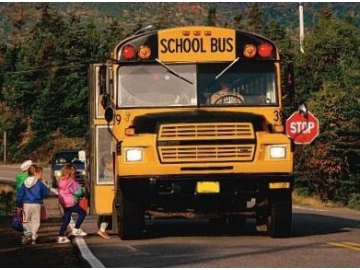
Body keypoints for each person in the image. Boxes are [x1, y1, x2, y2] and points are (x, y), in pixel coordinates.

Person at [16, 164, 49, 245]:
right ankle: (34, 236)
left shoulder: (24, 183)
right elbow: (46, 193)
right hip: (37, 204)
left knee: (25, 219)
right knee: (35, 220)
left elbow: (20, 195)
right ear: (35, 172)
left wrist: (18, 204)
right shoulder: (38, 182)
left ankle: (27, 233)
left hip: (26, 204)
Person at [57, 165, 87, 244]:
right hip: (71, 202)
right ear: (72, 173)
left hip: (63, 202)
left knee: (66, 219)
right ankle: (76, 229)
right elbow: (79, 192)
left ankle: (61, 236)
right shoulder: (72, 182)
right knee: (83, 213)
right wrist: (83, 193)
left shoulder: (61, 181)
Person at [97, 153, 113, 239]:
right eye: (111, 163)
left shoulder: (107, 171)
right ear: (107, 164)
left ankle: (102, 229)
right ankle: (102, 230)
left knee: (106, 214)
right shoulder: (107, 173)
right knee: (108, 213)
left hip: (108, 195)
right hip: (108, 194)